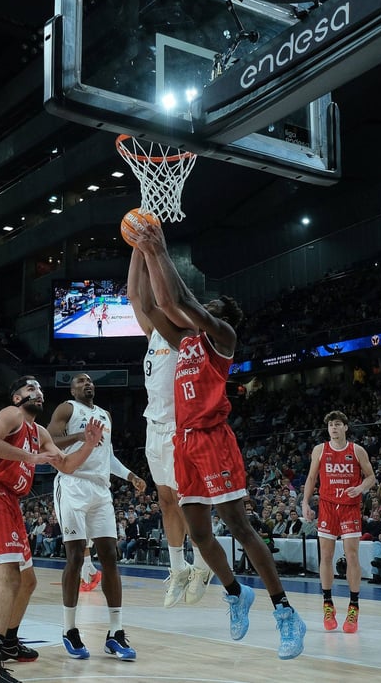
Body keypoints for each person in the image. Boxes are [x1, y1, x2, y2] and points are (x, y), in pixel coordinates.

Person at [131, 223, 306, 660]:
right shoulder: (183, 340)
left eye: (207, 308)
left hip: (213, 439)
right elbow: (148, 302)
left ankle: (285, 612)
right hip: (184, 443)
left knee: (238, 526)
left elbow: (175, 300)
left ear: (219, 317)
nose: (198, 312)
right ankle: (234, 592)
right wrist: (140, 247)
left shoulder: (222, 339)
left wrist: (158, 249)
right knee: (200, 533)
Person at [0, 375, 103, 683]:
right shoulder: (11, 414)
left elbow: (67, 465)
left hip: (11, 503)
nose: (38, 393)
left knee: (28, 581)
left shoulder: (40, 432)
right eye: (30, 388)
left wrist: (89, 444)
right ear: (17, 398)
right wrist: (30, 457)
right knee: (8, 578)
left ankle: (9, 643)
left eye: (40, 389)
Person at [127, 242, 215, 609]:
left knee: (186, 500)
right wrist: (135, 244)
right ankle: (177, 568)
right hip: (155, 424)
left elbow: (165, 300)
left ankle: (203, 565)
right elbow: (135, 294)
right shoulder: (154, 337)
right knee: (165, 500)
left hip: (183, 428)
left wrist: (153, 251)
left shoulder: (187, 337)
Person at [47, 372, 146, 661]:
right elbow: (50, 441)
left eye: (89, 381)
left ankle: (115, 633)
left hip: (101, 489)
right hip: (73, 483)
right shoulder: (67, 408)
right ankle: (69, 630)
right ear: (72, 389)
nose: (86, 384)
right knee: (76, 557)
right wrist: (81, 436)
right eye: (80, 381)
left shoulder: (105, 415)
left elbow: (108, 456)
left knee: (110, 558)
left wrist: (130, 475)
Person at [301, 410, 376, 634]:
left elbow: (371, 476)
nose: (333, 428)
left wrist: (361, 488)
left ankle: (354, 606)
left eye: (337, 424)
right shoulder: (320, 449)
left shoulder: (357, 450)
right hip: (326, 507)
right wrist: (305, 503)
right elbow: (312, 478)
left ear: (345, 427)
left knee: (352, 555)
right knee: (326, 556)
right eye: (330, 425)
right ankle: (327, 604)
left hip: (349, 508)